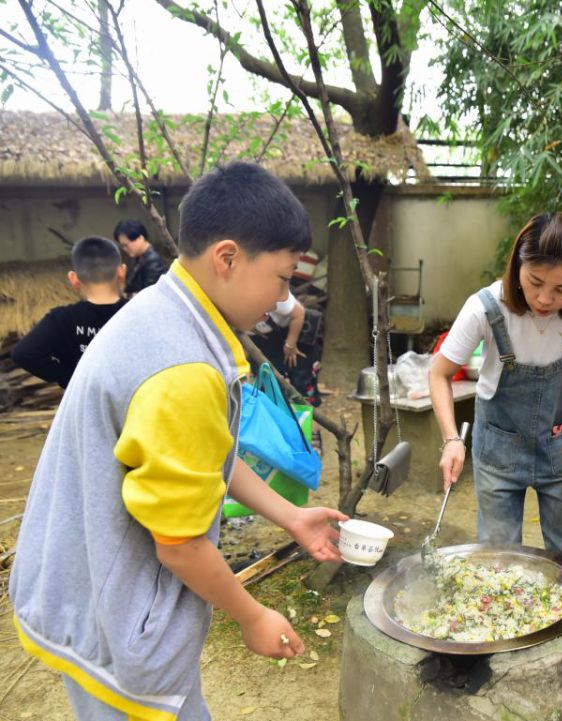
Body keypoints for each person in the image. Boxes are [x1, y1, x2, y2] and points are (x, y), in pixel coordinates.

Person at [10, 162, 348, 720]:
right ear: (228, 258)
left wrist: (291, 515)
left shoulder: (163, 309)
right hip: (109, 614)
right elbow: (182, 544)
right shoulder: (184, 369)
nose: (285, 301)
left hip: (88, 586)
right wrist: (252, 614)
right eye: (284, 278)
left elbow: (206, 457)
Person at [430, 212, 562, 570]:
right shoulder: (485, 307)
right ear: (517, 265)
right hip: (497, 449)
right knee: (496, 557)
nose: (545, 299)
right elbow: (439, 374)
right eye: (534, 281)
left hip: (561, 446)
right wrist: (452, 439)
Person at [11, 236, 127, 388]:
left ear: (73, 279)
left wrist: (69, 377)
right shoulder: (140, 313)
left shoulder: (62, 319)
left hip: (85, 408)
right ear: (121, 272)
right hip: (141, 406)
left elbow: (23, 353)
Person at [251, 289, 323, 406]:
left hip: (294, 341)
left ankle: (304, 421)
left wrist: (290, 344)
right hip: (263, 344)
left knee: (302, 385)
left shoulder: (272, 291)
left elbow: (299, 313)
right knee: (267, 388)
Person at [114, 218, 167, 296]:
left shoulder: (154, 262)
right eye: (122, 246)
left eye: (126, 245)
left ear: (140, 238)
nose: (124, 249)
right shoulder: (137, 258)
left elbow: (149, 296)